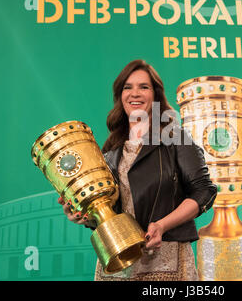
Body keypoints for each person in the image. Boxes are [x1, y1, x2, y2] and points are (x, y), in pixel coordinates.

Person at [58, 59, 217, 280]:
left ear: (156, 95)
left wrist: (161, 226)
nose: (135, 93)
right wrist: (84, 215)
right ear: (120, 95)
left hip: (167, 262)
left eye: (144, 87)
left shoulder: (176, 138)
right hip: (117, 262)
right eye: (127, 87)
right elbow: (108, 212)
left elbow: (203, 191)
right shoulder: (110, 150)